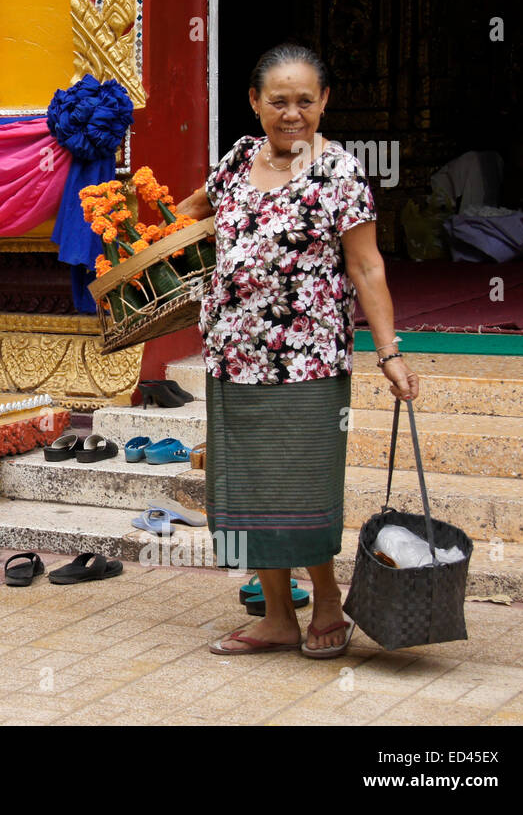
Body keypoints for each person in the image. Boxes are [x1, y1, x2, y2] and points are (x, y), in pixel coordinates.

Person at [177, 43, 419, 658]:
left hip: (307, 359)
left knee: (302, 487)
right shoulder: (236, 159)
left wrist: (389, 352)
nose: (292, 114)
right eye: (278, 101)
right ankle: (279, 616)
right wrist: (120, 222)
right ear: (255, 102)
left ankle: (329, 604)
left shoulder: (339, 172)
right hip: (234, 356)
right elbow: (189, 214)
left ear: (324, 102)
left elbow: (366, 268)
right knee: (250, 488)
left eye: (305, 101)